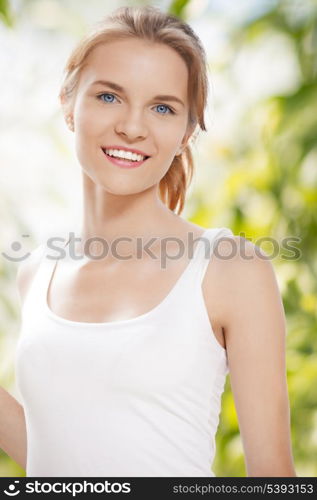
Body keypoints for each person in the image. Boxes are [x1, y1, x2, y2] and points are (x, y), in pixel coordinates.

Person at [1, 5, 296, 477]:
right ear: (68, 104)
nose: (132, 127)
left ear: (186, 132)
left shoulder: (229, 269)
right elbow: (57, 461)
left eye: (162, 107)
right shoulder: (36, 272)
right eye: (109, 97)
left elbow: (273, 479)